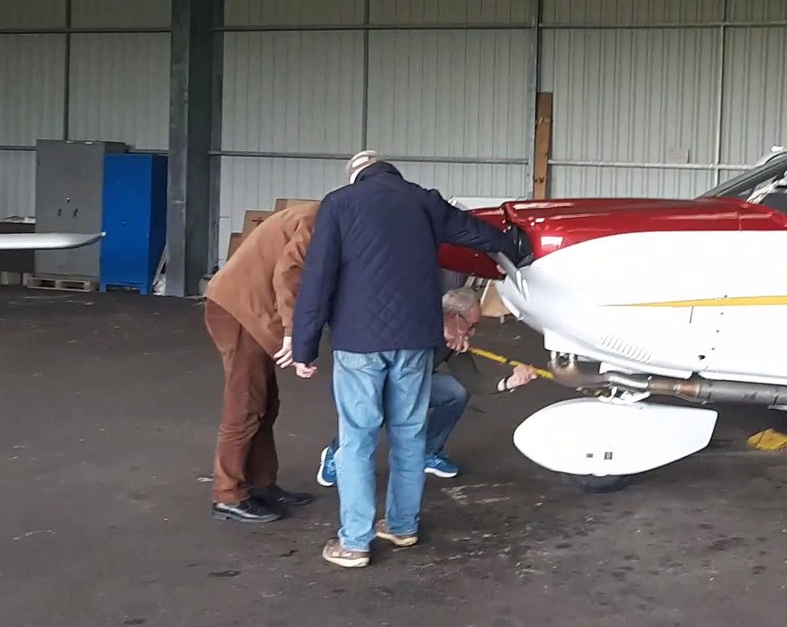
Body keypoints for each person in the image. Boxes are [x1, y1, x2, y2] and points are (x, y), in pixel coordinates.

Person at [289, 150, 529, 569]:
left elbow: (318, 279)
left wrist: (304, 347)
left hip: (359, 341)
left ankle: (355, 542)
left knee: (358, 439)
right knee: (409, 434)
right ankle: (402, 525)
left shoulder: (340, 203)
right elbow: (477, 232)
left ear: (356, 177)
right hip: (416, 339)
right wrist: (518, 252)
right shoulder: (423, 200)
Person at [315, 287, 539, 487]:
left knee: (456, 392)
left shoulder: (453, 340)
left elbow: (473, 382)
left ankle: (428, 452)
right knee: (372, 413)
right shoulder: (413, 323)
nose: (472, 333)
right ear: (453, 317)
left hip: (411, 386)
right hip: (368, 383)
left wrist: (509, 381)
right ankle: (336, 453)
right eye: (471, 326)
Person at [203, 201, 321, 524]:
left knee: (266, 403)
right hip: (240, 309)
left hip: (254, 309)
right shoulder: (317, 222)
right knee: (245, 404)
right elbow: (289, 276)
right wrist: (293, 335)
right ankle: (227, 495)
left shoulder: (322, 216)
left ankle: (261, 482)